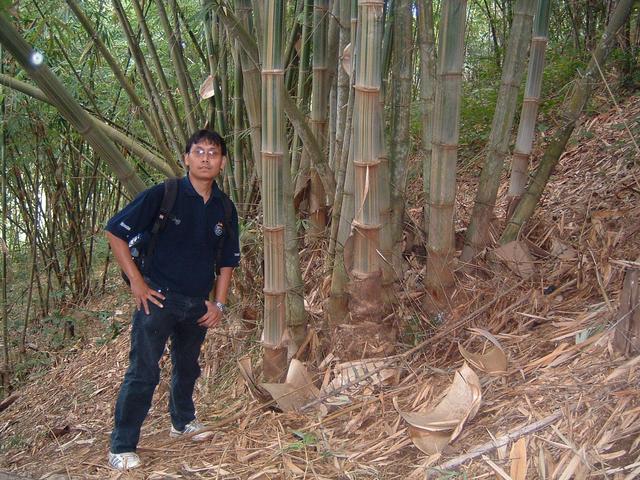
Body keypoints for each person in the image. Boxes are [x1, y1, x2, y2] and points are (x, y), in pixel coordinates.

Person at [104, 129, 240, 470]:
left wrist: (218, 305)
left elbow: (227, 261)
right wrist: (137, 282)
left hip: (196, 302)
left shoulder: (224, 207)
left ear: (222, 162)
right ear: (187, 158)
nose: (206, 157)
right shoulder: (164, 194)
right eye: (199, 151)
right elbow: (115, 231)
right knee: (144, 371)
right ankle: (121, 446)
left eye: (213, 153)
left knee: (188, 367)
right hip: (158, 298)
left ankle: (182, 422)